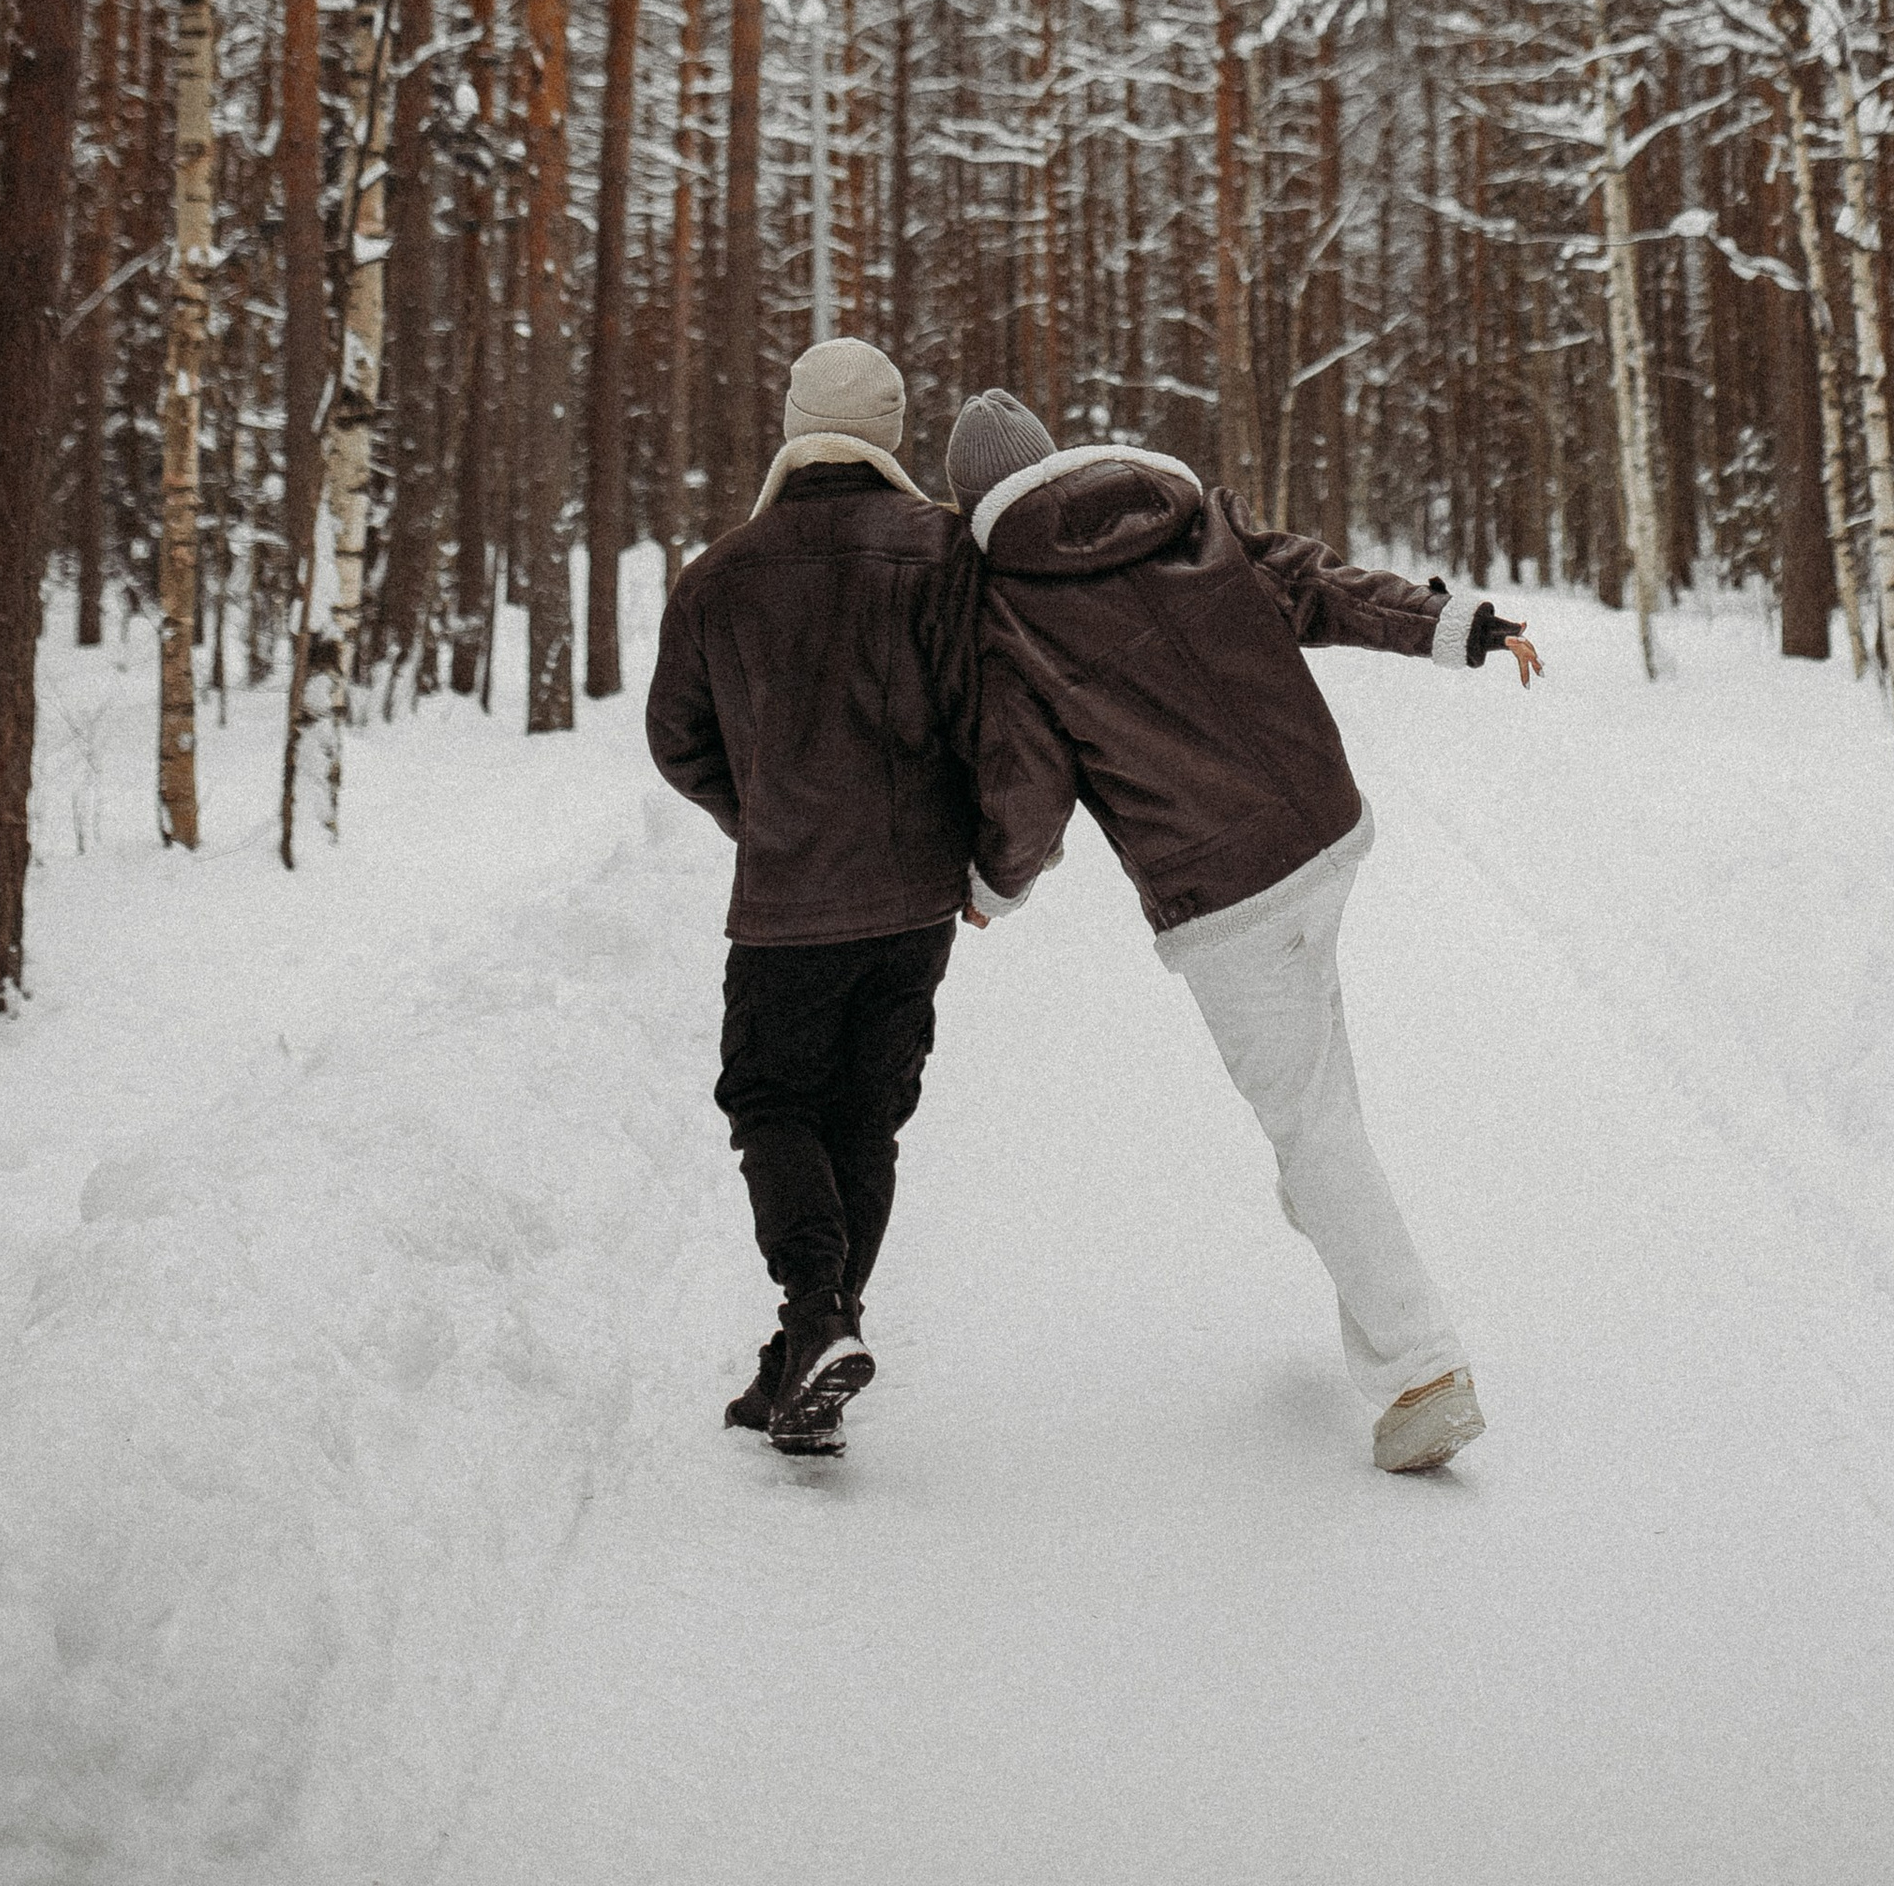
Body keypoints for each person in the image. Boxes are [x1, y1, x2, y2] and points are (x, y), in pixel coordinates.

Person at [945, 388, 1540, 1476]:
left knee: (1312, 1126)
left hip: (1226, 895)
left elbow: (1027, 786)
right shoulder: (1183, 514)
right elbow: (1315, 584)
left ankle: (1421, 1370)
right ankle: (1344, 1247)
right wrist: (1449, 624)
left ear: (972, 504)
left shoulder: (1008, 608)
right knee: (1316, 1098)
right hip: (1322, 829)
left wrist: (993, 885)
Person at [646, 337, 980, 1461]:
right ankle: (809, 1355)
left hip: (787, 903)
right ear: (890, 428)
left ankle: (817, 1323)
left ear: (795, 421)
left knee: (772, 1102)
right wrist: (972, 849)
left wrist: (763, 817)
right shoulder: (946, 559)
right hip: (915, 905)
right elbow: (993, 725)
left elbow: (675, 738)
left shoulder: (720, 573)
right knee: (864, 1121)